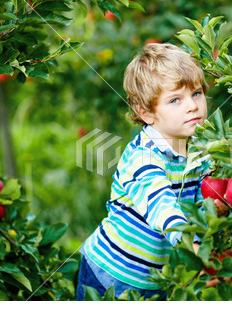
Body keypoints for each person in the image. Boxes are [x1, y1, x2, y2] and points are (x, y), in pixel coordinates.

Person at [77, 43, 213, 300]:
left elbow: (202, 203)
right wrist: (194, 250)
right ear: (147, 113)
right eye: (175, 100)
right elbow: (162, 206)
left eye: (196, 93)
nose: (192, 106)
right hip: (110, 275)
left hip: (155, 280)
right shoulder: (142, 156)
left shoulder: (200, 152)